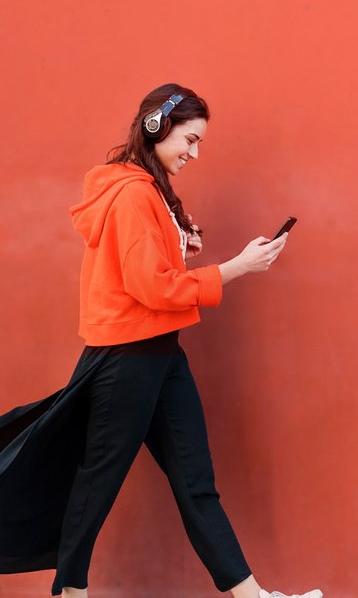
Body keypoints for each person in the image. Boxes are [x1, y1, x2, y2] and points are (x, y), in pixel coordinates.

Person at [0, 83, 323, 598]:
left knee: (195, 482)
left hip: (159, 353)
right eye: (189, 140)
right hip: (127, 358)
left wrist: (178, 245)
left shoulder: (146, 192)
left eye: (199, 144)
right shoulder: (132, 194)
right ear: (157, 126)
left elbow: (148, 276)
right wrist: (234, 268)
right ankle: (70, 593)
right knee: (97, 483)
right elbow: (149, 288)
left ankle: (252, 596)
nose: (193, 154)